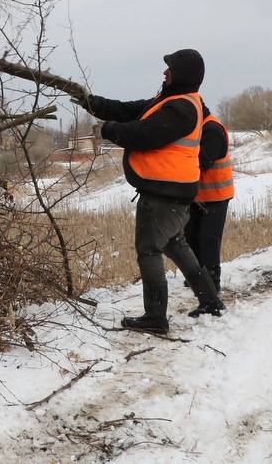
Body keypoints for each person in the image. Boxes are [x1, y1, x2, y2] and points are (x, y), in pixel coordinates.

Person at [75, 49, 225, 333]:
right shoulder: (171, 101)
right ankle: (210, 301)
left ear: (181, 75)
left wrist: (107, 131)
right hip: (173, 193)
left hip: (164, 195)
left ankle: (155, 318)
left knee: (148, 250)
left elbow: (143, 135)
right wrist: (91, 103)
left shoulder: (181, 108)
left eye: (170, 68)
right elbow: (128, 110)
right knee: (176, 244)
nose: (164, 72)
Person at [184, 106, 234, 294]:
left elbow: (201, 161)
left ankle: (212, 283)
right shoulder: (196, 128)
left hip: (217, 195)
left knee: (209, 239)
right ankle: (196, 278)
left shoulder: (213, 129)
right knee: (191, 236)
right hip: (197, 195)